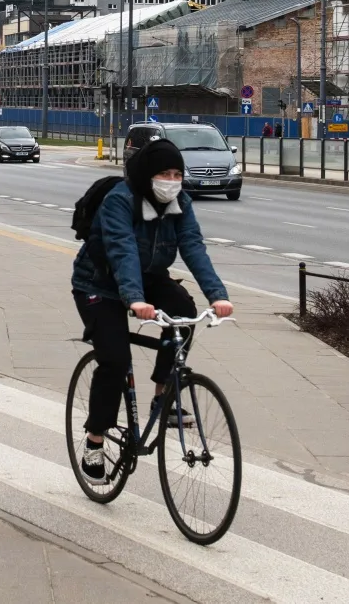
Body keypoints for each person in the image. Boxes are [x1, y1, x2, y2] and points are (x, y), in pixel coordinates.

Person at [71, 136, 232, 478]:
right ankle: (95, 441)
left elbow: (193, 247)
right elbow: (122, 249)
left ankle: (163, 396)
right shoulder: (119, 201)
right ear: (147, 173)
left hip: (148, 277)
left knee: (185, 315)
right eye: (165, 173)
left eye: (177, 174)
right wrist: (135, 299)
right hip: (98, 283)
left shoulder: (181, 203)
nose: (172, 181)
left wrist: (217, 295)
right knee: (114, 361)